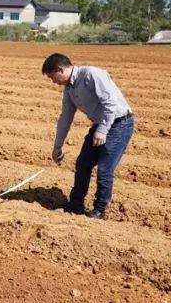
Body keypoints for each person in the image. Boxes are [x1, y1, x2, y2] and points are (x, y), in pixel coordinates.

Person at [42, 53, 134, 220]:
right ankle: (75, 205)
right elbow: (66, 117)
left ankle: (99, 211)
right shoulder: (69, 88)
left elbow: (110, 103)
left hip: (119, 123)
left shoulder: (91, 74)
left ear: (60, 70)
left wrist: (103, 130)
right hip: (100, 124)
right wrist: (57, 146)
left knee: (105, 169)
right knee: (83, 163)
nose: (52, 81)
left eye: (52, 77)